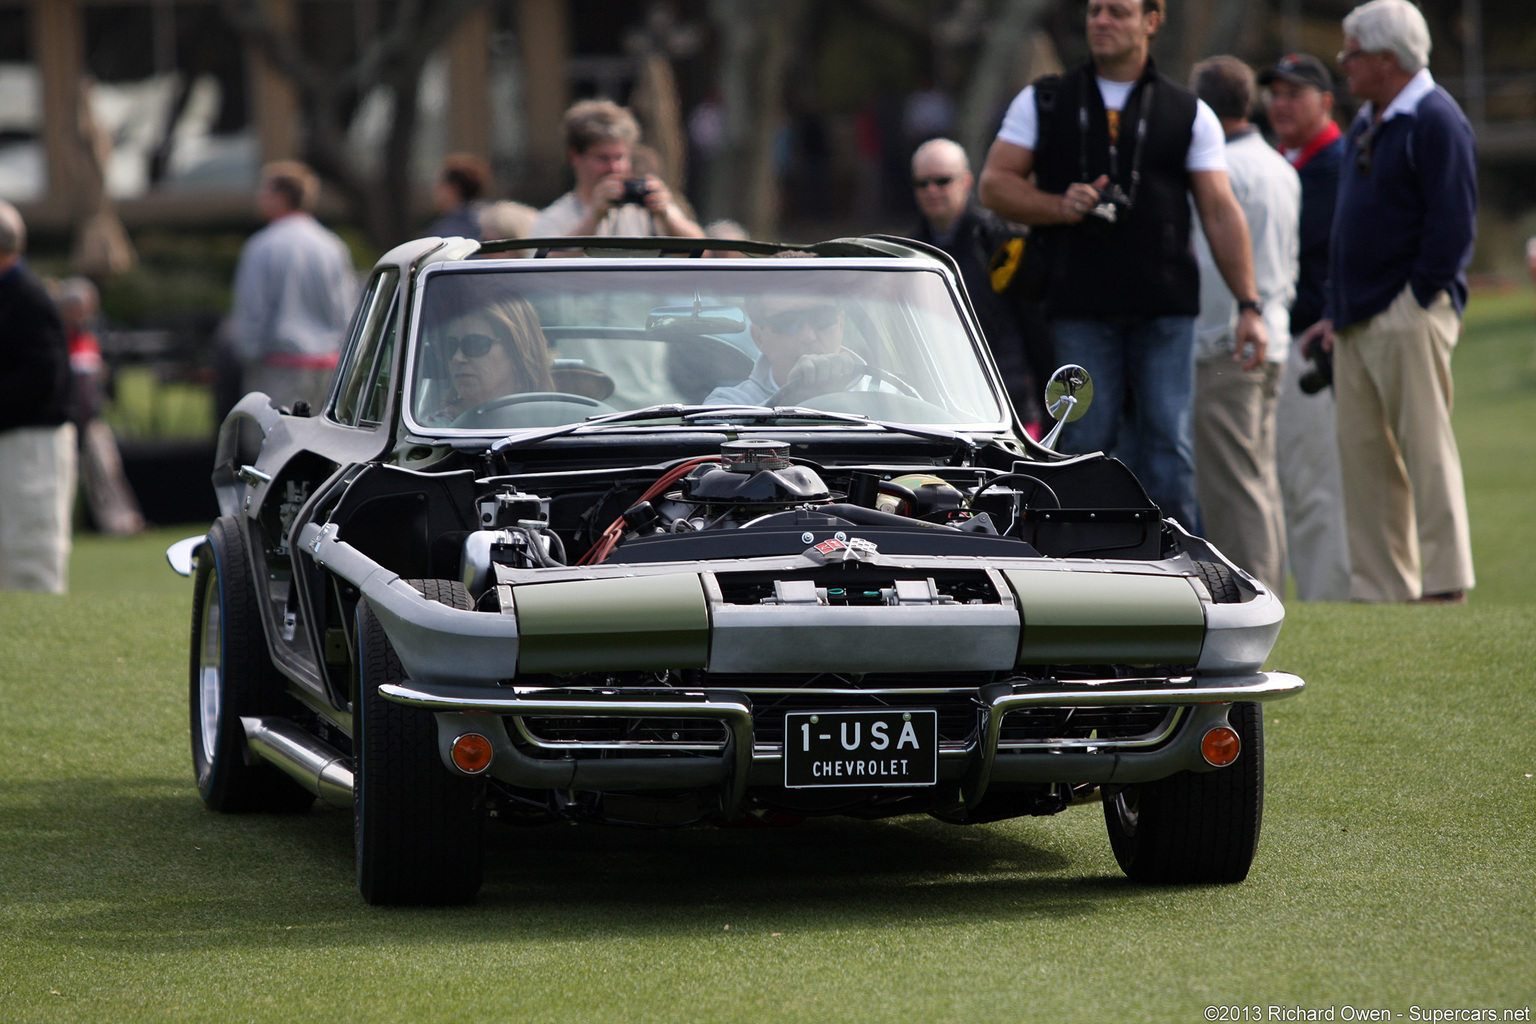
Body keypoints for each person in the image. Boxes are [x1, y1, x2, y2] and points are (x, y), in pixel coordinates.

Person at [977, 0, 1268, 532]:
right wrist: (1056, 206)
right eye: (1094, 12)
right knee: (1088, 443)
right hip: (1079, 309)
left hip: (1164, 312)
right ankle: (1091, 567)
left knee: (1168, 444)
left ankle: (1183, 574)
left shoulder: (1188, 110)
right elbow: (994, 185)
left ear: (1152, 22)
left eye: (1118, 12)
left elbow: (1221, 211)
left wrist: (1250, 305)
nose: (1101, 22)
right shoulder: (1045, 100)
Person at [1303, 0, 1477, 604]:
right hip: (1355, 317)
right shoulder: (1369, 120)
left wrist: (1415, 298)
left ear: (1385, 58)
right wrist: (1335, 309)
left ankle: (1446, 583)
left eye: (1350, 53)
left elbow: (1453, 227)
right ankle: (1383, 590)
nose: (1343, 63)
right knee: (1365, 458)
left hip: (1408, 312)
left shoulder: (1435, 119)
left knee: (1425, 449)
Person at [1188, 57, 1299, 595]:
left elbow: (1210, 265)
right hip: (1273, 335)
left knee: (1233, 487)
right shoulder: (1281, 166)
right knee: (1260, 479)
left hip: (1227, 339)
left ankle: (1254, 594)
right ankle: (1272, 586)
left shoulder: (1219, 173)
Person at [1262, 52, 1352, 600]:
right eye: (1275, 92)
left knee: (1319, 486)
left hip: (1314, 346)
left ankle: (1330, 603)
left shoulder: (1340, 165)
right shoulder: (1282, 164)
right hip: (1278, 341)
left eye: (1294, 92)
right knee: (1287, 483)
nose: (1281, 103)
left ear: (1325, 101)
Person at [907, 137, 1049, 433]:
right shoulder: (908, 254)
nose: (932, 190)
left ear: (967, 181)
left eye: (942, 181)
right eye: (923, 183)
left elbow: (1033, 325)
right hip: (936, 406)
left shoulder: (1002, 241)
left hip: (1010, 403)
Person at [229, 161, 359, 413]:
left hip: (279, 364)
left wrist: (247, 354)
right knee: (323, 444)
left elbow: (252, 309)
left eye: (264, 191)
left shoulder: (262, 246)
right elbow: (346, 307)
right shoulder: (332, 245)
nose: (259, 197)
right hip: (327, 365)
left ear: (281, 197)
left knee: (274, 444)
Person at [0, 201, 76, 593]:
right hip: (14, 439)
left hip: (30, 444)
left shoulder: (27, 299)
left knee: (30, 550)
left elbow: (42, 376)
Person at [531, 99, 704, 240]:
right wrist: (594, 217)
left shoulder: (643, 209)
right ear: (575, 156)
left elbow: (702, 252)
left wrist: (665, 215)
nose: (614, 168)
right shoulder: (554, 218)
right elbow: (543, 264)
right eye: (603, 158)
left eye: (620, 157)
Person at [56, 277, 144, 536]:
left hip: (91, 416)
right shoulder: (57, 337)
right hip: (65, 418)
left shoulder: (91, 336)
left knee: (107, 469)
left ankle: (123, 522)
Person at [705, 293, 885, 407]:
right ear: (759, 338)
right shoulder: (728, 405)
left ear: (840, 323)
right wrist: (792, 399)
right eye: (787, 322)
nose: (808, 336)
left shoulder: (887, 395)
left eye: (822, 318)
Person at [421, 294, 556, 424]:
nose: (457, 358)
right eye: (450, 346)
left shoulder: (559, 425)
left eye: (475, 344)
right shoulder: (431, 433)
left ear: (516, 352)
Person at [426, 152, 492, 240]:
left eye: (439, 183)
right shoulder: (496, 221)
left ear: (452, 188)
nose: (434, 189)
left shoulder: (445, 233)